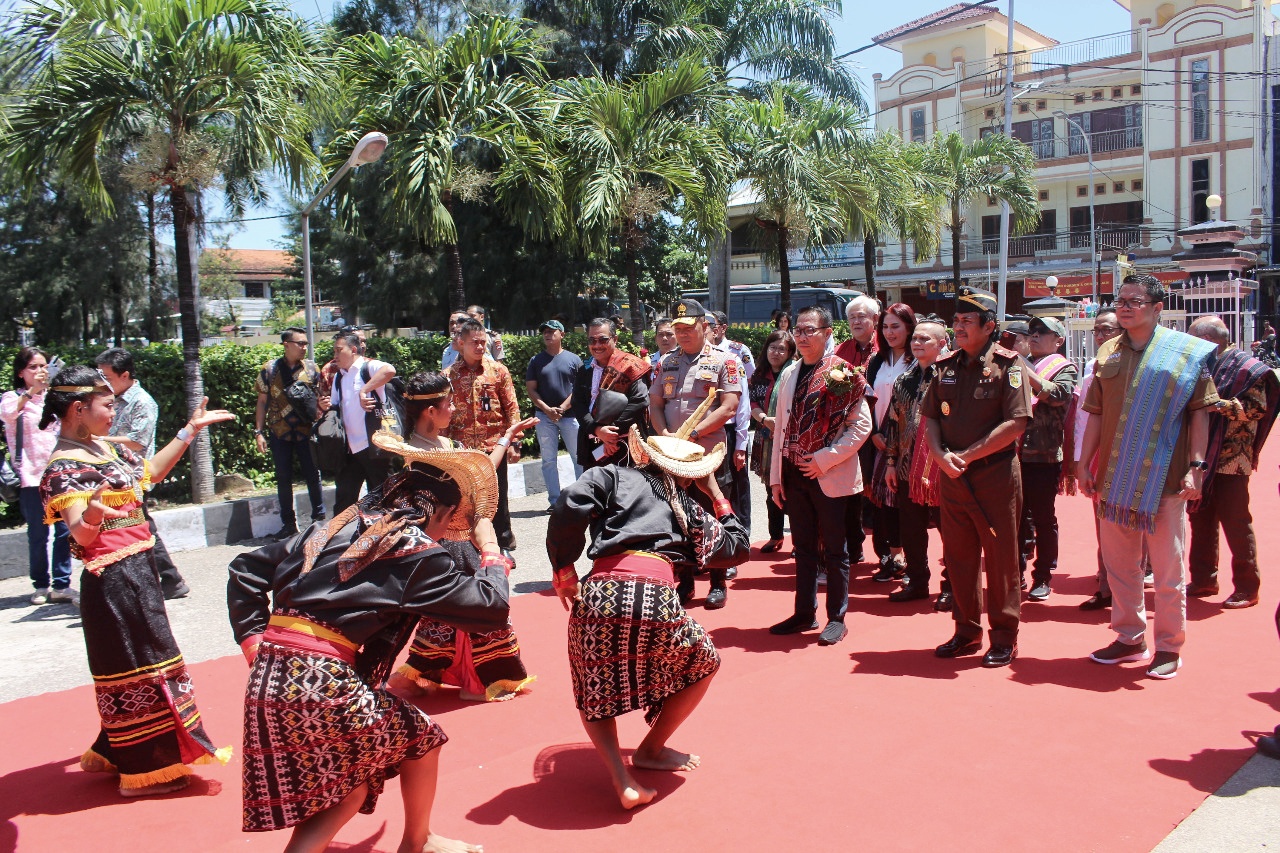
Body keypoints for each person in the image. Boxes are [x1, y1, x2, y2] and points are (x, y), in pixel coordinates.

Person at [227, 438, 508, 852]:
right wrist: (490, 549)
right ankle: (418, 841)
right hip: (322, 680)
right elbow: (491, 609)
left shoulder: (329, 529)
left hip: (268, 677)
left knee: (354, 786)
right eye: (449, 525)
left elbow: (245, 569)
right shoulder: (417, 553)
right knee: (420, 738)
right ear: (443, 513)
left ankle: (419, 839)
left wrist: (254, 642)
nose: (446, 535)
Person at [40, 365, 234, 796]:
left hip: (139, 571)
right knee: (139, 669)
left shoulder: (107, 449)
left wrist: (188, 432)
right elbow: (81, 534)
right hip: (112, 580)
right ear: (78, 408)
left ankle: (126, 752)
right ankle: (142, 770)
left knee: (146, 664)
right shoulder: (63, 467)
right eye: (107, 405)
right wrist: (91, 514)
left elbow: (152, 472)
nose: (114, 411)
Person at [547, 421, 749, 810]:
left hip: (600, 593)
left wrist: (563, 568)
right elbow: (736, 547)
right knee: (703, 661)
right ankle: (651, 749)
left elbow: (570, 503)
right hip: (656, 596)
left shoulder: (611, 476)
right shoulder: (686, 505)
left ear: (644, 457)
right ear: (690, 477)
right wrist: (717, 493)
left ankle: (622, 780)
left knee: (593, 684)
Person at [1078, 274, 1219, 680]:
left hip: (1166, 479)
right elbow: (1096, 413)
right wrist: (1082, 463)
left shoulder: (1185, 354)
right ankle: (1128, 636)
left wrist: (1196, 467)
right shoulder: (1108, 352)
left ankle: (1169, 646)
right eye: (1120, 300)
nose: (1124, 307)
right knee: (1121, 566)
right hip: (1114, 478)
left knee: (1168, 571)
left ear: (1158, 309)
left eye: (1135, 301)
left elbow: (1199, 413)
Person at [384, 372, 536, 703]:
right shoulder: (416, 455)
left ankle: (458, 677)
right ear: (430, 411)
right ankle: (478, 681)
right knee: (474, 610)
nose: (453, 409)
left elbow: (480, 471)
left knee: (452, 617)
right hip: (441, 542)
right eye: (448, 404)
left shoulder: (445, 446)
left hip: (466, 539)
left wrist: (506, 436)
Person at [921, 286, 1032, 668]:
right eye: (956, 320)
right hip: (952, 476)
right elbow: (931, 416)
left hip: (994, 476)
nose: (959, 327)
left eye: (968, 321)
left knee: (1001, 559)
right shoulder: (946, 366)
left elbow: (1016, 422)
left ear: (990, 327)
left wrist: (966, 456)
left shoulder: (1009, 366)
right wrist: (938, 456)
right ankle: (966, 631)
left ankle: (1004, 636)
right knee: (959, 556)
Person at [767, 306, 872, 646]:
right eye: (798, 330)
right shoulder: (791, 372)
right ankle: (804, 612)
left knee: (836, 550)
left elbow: (861, 427)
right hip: (795, 473)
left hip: (828, 474)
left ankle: (836, 617)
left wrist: (824, 459)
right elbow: (781, 427)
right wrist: (776, 478)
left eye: (810, 330)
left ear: (828, 334)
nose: (801, 336)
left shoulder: (841, 372)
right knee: (804, 548)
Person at [649, 298, 742, 609]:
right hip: (671, 454)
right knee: (676, 517)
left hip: (706, 454)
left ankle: (717, 583)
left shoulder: (724, 361)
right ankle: (685, 582)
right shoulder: (666, 362)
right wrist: (664, 436)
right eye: (677, 329)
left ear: (705, 327)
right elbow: (656, 404)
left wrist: (694, 433)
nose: (682, 334)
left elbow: (729, 406)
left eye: (688, 328)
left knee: (709, 516)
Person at [1186, 315, 1280, 609]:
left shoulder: (1248, 369)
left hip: (1231, 459)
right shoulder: (1204, 365)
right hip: (1201, 458)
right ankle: (1203, 578)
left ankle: (1247, 588)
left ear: (1211, 341)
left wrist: (1217, 404)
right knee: (1200, 518)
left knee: (1236, 523)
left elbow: (1256, 410)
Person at [95, 347, 191, 600]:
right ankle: (167, 579)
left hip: (136, 475)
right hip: (115, 476)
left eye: (107, 377)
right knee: (141, 527)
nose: (103, 382)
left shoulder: (142, 402)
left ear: (124, 375)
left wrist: (98, 439)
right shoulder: (111, 398)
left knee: (143, 529)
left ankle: (170, 578)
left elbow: (137, 441)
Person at [882, 316, 949, 604]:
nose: (918, 343)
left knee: (951, 532)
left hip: (943, 468)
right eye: (916, 339)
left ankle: (952, 587)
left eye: (926, 339)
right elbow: (894, 425)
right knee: (911, 530)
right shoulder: (904, 380)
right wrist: (890, 463)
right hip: (908, 467)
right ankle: (918, 581)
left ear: (942, 343)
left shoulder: (950, 377)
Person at [1, 347, 73, 605]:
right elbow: (8, 415)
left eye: (43, 366)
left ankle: (62, 585)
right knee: (38, 534)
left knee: (65, 530)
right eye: (33, 367)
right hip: (31, 476)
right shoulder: (13, 398)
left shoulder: (52, 398)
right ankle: (41, 585)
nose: (40, 371)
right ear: (21, 373)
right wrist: (32, 392)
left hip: (59, 472)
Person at [446, 317, 522, 557]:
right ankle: (470, 547)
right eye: (474, 343)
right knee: (464, 501)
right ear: (461, 342)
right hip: (462, 450)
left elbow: (512, 407)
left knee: (496, 498)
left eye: (482, 342)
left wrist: (514, 443)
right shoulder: (449, 375)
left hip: (493, 447)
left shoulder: (498, 371)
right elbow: (443, 413)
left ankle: (503, 544)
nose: (479, 347)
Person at [1018, 317, 1078, 601]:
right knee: (1014, 517)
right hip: (1013, 451)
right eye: (1032, 331)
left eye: (1042, 332)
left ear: (1058, 340)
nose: (1035, 336)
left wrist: (1024, 370)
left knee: (1043, 517)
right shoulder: (1019, 361)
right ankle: (1015, 570)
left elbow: (1057, 395)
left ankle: (1042, 576)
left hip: (1042, 453)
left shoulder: (1064, 368)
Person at [253, 327, 325, 541]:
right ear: (286, 345)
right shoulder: (269, 370)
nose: (304, 347)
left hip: (306, 432)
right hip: (279, 432)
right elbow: (262, 402)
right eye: (300, 343)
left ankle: (319, 520)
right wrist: (259, 432)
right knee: (283, 479)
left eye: (306, 344)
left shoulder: (312, 369)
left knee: (313, 476)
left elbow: (321, 399)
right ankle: (288, 525)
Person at [1075, 308, 1125, 611]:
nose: (1101, 336)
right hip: (1100, 460)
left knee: (1135, 530)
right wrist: (1081, 461)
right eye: (1097, 330)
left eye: (1107, 329)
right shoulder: (1092, 369)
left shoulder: (1139, 366)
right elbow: (1084, 421)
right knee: (1103, 527)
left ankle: (1129, 593)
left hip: (1134, 458)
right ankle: (1106, 588)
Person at [865, 304, 916, 581]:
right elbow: (867, 400)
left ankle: (912, 559)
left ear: (910, 326)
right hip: (880, 440)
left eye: (896, 326)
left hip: (910, 441)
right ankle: (892, 555)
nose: (890, 332)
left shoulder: (918, 358)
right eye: (885, 327)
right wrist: (874, 432)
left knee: (907, 502)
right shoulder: (877, 361)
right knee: (883, 502)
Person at [329, 330, 399, 515]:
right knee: (344, 501)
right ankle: (341, 539)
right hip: (350, 450)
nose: (335, 356)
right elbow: (336, 406)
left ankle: (390, 538)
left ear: (353, 349)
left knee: (384, 500)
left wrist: (364, 390)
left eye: (338, 350)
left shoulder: (367, 368)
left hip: (373, 448)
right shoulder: (339, 376)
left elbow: (389, 370)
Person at [835, 295, 880, 565]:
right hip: (850, 432)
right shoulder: (842, 350)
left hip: (881, 432)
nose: (856, 321)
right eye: (852, 317)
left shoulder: (887, 348)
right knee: (851, 492)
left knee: (879, 494)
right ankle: (854, 546)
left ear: (875, 319)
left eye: (862, 316)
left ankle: (888, 554)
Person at [570, 317, 651, 469]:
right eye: (592, 340)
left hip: (623, 443)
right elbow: (578, 403)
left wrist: (610, 434)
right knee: (594, 489)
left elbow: (639, 401)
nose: (597, 345)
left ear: (615, 339)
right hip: (591, 442)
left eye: (603, 340)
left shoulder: (630, 366)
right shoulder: (584, 370)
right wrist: (597, 430)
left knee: (625, 490)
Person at [525, 319, 583, 505]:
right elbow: (531, 389)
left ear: (562, 335)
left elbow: (580, 389)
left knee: (578, 458)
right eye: (545, 332)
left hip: (570, 417)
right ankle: (555, 501)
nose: (548, 335)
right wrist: (547, 410)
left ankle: (582, 497)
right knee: (548, 460)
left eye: (552, 331)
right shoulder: (536, 361)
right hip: (544, 417)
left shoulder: (574, 360)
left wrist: (563, 408)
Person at [748, 330, 795, 553]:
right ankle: (775, 536)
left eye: (782, 349)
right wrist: (765, 419)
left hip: (792, 439)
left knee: (795, 491)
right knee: (771, 489)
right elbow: (752, 402)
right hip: (766, 438)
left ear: (790, 353)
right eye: (772, 347)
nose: (776, 353)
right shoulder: (759, 375)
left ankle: (800, 539)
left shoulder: (796, 374)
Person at [708, 310, 754, 526]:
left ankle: (741, 529)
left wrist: (741, 442)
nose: (710, 329)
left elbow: (743, 398)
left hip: (729, 428)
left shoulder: (735, 354)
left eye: (712, 325)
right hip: (704, 430)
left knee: (736, 482)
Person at [649, 317, 678, 381]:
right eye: (661, 334)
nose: (664, 338)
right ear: (655, 338)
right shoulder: (648, 362)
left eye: (669, 334)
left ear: (677, 336)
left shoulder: (685, 361)